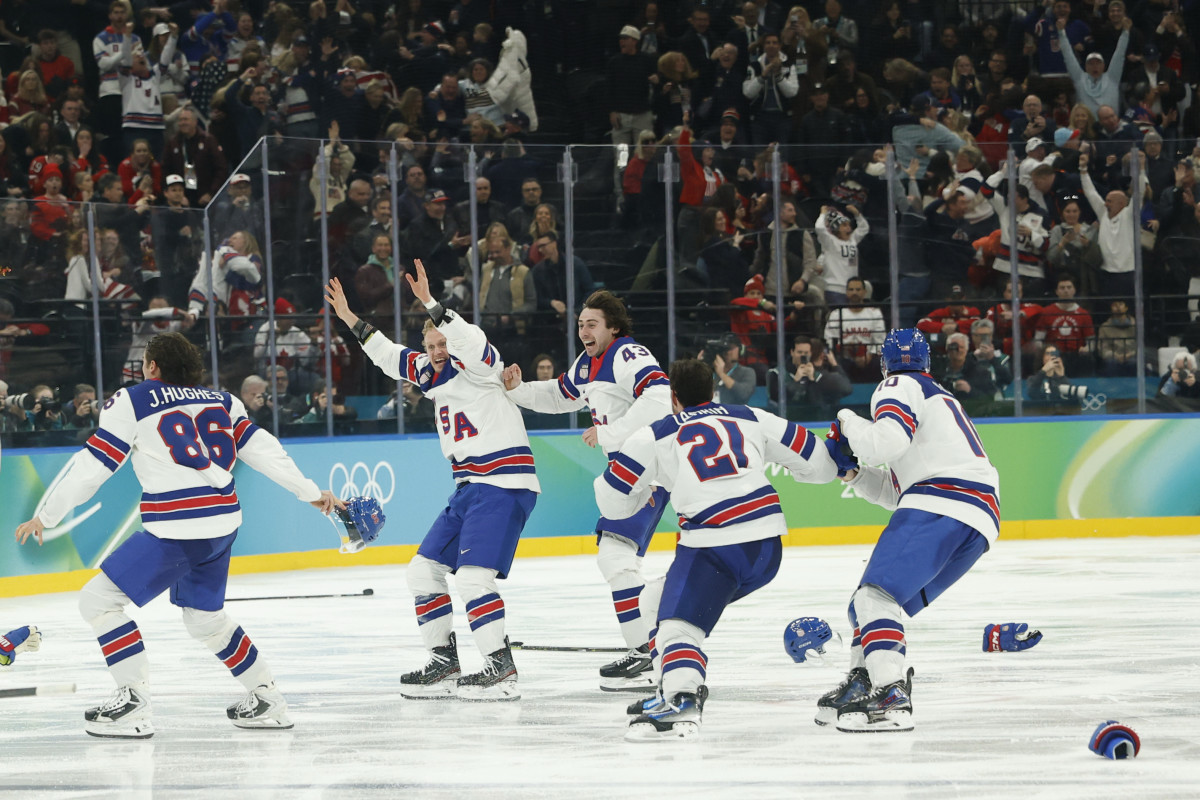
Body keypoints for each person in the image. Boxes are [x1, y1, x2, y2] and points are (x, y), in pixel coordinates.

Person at [14, 331, 341, 738]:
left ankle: (133, 703)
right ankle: (267, 699)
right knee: (205, 620)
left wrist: (46, 515)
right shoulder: (223, 401)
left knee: (98, 601)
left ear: (152, 366)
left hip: (177, 527)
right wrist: (310, 493)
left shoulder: (132, 401)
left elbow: (93, 466)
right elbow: (265, 451)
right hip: (223, 523)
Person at [325, 259, 539, 701]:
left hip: (503, 482)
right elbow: (388, 354)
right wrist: (348, 318)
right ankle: (444, 664)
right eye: (431, 344)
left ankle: (500, 669)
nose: (439, 350)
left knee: (473, 578)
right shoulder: (428, 371)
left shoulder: (481, 365)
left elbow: (470, 340)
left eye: (443, 343)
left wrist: (431, 303)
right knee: (422, 572)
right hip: (469, 488)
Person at [596, 358, 837, 740]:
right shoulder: (751, 416)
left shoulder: (654, 434)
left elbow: (611, 500)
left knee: (677, 627)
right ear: (713, 391)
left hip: (714, 546)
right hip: (766, 548)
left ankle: (681, 698)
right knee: (653, 602)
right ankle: (667, 688)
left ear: (674, 397)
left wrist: (640, 495)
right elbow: (820, 463)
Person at [823, 328, 1001, 732]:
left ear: (884, 364)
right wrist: (852, 473)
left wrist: (847, 420)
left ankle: (890, 693)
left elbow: (881, 445)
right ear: (928, 361)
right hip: (976, 519)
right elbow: (896, 491)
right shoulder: (939, 397)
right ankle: (864, 678)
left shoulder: (897, 385)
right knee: (867, 607)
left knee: (873, 597)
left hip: (942, 501)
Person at [502, 290, 671, 691]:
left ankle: (649, 651)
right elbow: (559, 396)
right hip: (633, 470)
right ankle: (653, 646)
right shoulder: (588, 362)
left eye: (592, 324)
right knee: (618, 558)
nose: (583, 331)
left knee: (615, 557)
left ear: (613, 327)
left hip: (650, 468)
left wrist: (610, 432)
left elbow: (660, 397)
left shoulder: (626, 353)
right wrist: (518, 390)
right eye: (580, 324)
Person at [766, 335, 852, 418]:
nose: (803, 356)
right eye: (799, 352)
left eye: (806, 353)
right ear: (792, 352)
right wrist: (795, 382)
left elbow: (845, 390)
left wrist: (812, 381)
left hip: (815, 421)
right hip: (788, 421)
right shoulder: (776, 373)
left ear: (810, 353)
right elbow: (776, 399)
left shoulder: (818, 375)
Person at [824, 276, 886, 383]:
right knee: (835, 361)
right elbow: (829, 340)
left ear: (864, 292)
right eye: (851, 289)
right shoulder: (837, 314)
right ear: (846, 292)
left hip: (868, 357)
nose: (854, 293)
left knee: (881, 362)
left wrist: (869, 356)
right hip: (844, 357)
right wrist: (843, 349)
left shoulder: (874, 313)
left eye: (858, 289)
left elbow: (880, 341)